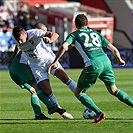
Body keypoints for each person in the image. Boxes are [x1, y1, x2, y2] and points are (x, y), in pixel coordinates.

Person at [48, 14, 133, 124]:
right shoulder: (96, 33)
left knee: (79, 92)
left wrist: (54, 62)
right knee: (114, 90)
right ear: (87, 23)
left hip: (93, 64)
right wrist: (119, 59)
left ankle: (99, 113)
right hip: (106, 62)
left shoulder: (74, 35)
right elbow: (114, 49)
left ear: (76, 24)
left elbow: (64, 46)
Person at [11, 24, 76, 119]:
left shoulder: (34, 33)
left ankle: (82, 97)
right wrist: (12, 57)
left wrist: (50, 40)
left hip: (49, 60)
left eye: (21, 39)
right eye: (18, 40)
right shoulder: (16, 40)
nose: (20, 42)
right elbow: (18, 47)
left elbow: (55, 34)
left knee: (65, 78)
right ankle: (60, 111)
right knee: (47, 91)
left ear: (25, 34)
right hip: (36, 67)